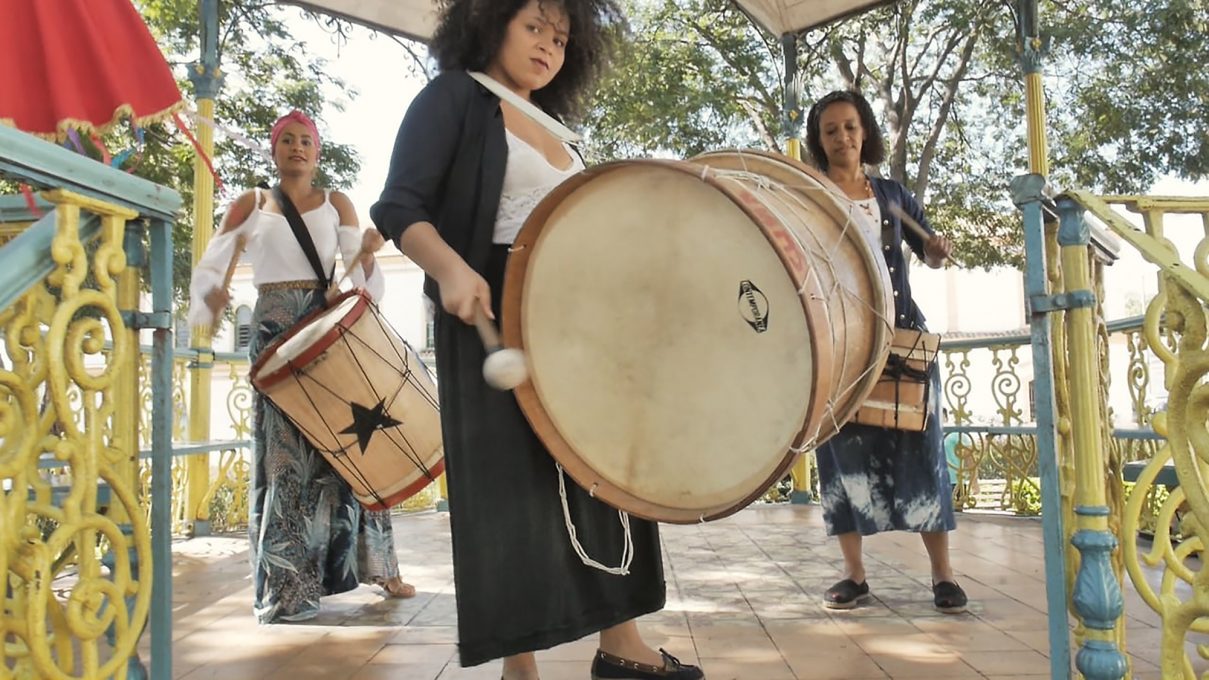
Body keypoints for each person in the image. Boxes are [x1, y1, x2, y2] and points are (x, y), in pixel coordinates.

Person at [370, 2, 703, 678]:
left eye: (561, 38)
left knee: (603, 472)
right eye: (534, 29)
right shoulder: (454, 97)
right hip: (495, 307)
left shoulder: (556, 127)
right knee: (507, 489)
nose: (548, 47)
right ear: (490, 22)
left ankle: (622, 643)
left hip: (580, 323)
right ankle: (517, 664)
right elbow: (399, 206)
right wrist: (451, 269)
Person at [188, 110, 416, 624]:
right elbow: (211, 266)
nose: (297, 147)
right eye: (287, 140)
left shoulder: (338, 203)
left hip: (325, 330)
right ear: (274, 151)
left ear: (317, 152)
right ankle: (289, 591)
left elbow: (360, 279)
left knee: (354, 444)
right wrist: (212, 296)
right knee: (285, 460)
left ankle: (381, 567)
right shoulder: (251, 203)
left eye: (306, 141)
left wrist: (368, 256)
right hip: (274, 337)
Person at [804, 89, 968, 614]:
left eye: (850, 127)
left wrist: (937, 250)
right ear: (819, 140)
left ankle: (943, 576)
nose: (842, 138)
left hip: (903, 338)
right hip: (842, 342)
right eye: (831, 130)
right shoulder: (811, 196)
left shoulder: (893, 195)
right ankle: (854, 575)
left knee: (923, 451)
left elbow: (931, 256)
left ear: (865, 132)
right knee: (842, 457)